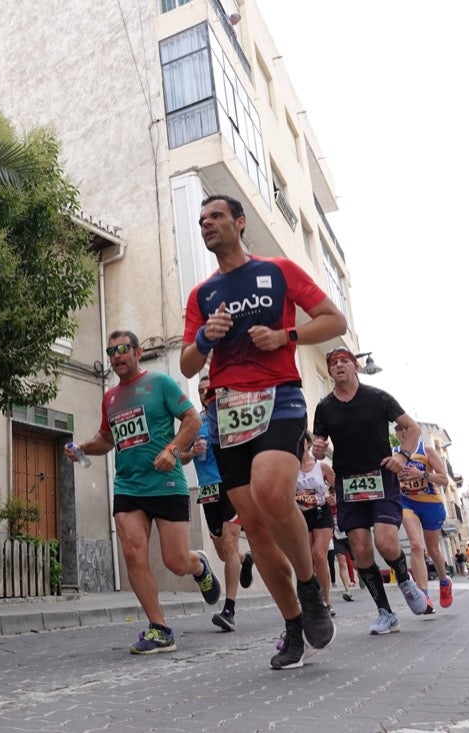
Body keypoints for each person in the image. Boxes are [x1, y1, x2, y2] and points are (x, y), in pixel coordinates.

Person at [180, 194, 347, 670]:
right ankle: (294, 624)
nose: (205, 223)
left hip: (280, 398)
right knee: (255, 525)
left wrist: (285, 337)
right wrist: (203, 339)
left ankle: (311, 586)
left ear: (239, 221)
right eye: (201, 220)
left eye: (214, 216)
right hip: (227, 412)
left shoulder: (278, 270)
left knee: (274, 494)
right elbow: (188, 365)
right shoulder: (202, 295)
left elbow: (335, 320)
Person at [67, 330, 220, 654]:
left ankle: (199, 566)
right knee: (133, 551)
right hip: (128, 484)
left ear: (137, 352)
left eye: (123, 349)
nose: (116, 356)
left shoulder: (161, 383)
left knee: (176, 562)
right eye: (111, 351)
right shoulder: (110, 398)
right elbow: (107, 440)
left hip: (165, 483)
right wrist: (82, 446)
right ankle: (160, 628)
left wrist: (173, 450)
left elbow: (192, 420)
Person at [312, 347, 430, 636]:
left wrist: (402, 456)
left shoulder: (378, 397)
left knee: (387, 542)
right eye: (333, 364)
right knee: (361, 549)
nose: (339, 366)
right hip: (347, 482)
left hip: (381, 476)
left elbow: (411, 428)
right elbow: (319, 443)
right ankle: (385, 613)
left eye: (344, 361)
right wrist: (317, 449)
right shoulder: (324, 407)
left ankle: (405, 580)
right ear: (330, 372)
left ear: (355, 367)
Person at [185, 374, 257, 632]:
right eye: (201, 390)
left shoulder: (232, 414)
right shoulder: (194, 423)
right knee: (223, 552)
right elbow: (178, 455)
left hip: (233, 486)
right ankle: (245, 559)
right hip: (208, 490)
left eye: (209, 389)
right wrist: (192, 452)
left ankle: (229, 610)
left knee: (228, 543)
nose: (206, 394)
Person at [393, 424, 454, 610]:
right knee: (416, 545)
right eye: (398, 430)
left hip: (431, 503)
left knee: (433, 549)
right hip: (407, 503)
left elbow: (444, 479)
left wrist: (423, 474)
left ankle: (444, 581)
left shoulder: (425, 450)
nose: (402, 433)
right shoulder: (394, 454)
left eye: (405, 429)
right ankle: (424, 597)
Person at [295, 432, 337, 616]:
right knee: (307, 561)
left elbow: (338, 486)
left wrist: (334, 497)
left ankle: (327, 601)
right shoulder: (291, 467)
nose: (298, 443)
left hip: (321, 513)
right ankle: (313, 600)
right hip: (301, 515)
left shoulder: (322, 467)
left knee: (320, 555)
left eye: (301, 440)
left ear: (309, 442)